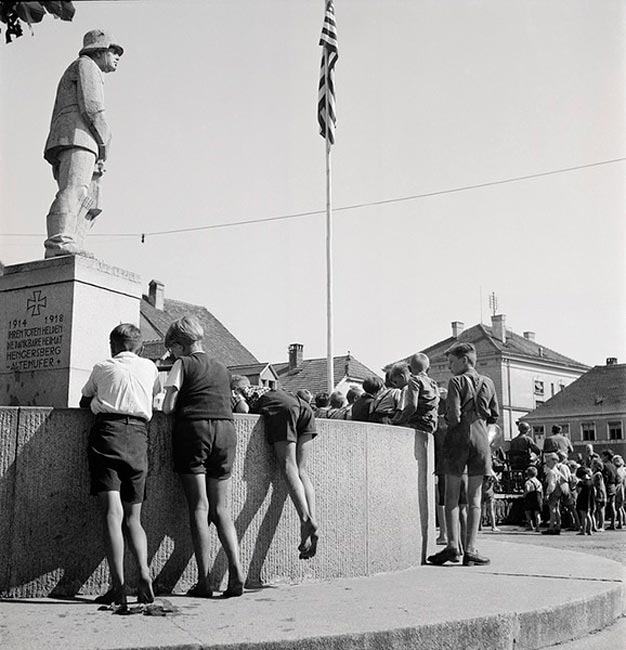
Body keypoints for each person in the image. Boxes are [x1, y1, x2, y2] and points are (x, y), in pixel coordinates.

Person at [162, 316, 244, 598]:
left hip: (194, 430)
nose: (171, 353)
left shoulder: (181, 364)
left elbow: (168, 406)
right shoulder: (222, 368)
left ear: (178, 345)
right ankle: (236, 570)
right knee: (221, 509)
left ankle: (204, 581)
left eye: (171, 347)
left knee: (199, 506)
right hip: (225, 431)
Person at [80, 323, 159, 606]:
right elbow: (155, 392)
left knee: (112, 514)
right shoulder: (149, 367)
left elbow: (83, 398)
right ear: (139, 348)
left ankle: (118, 586)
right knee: (133, 518)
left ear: (112, 345)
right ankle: (144, 572)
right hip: (138, 437)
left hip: (107, 434)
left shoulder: (102, 367)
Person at [43, 30, 123, 258]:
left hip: (81, 138)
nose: (117, 56)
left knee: (87, 197)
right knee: (74, 189)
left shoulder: (86, 67)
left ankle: (72, 240)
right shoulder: (87, 65)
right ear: (99, 50)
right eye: (113, 50)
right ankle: (59, 242)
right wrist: (105, 140)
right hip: (78, 136)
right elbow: (92, 106)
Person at [427, 342, 499, 567]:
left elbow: (454, 415)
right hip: (481, 440)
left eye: (451, 362)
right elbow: (494, 415)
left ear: (464, 360)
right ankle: (471, 549)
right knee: (475, 498)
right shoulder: (488, 382)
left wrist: (443, 419)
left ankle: (452, 547)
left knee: (451, 497)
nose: (449, 366)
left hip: (458, 439)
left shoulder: (456, 382)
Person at [239, 386, 319, 559]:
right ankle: (311, 520)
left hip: (284, 410)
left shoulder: (238, 389)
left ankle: (305, 519)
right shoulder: (273, 388)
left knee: (288, 465)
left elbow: (242, 409)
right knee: (301, 470)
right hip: (304, 408)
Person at [389, 354, 440, 435]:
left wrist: (399, 420)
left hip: (418, 423)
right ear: (428, 369)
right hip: (432, 423)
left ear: (409, 369)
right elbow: (437, 403)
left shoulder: (414, 380)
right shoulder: (433, 383)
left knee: (393, 431)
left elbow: (412, 406)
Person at [600, 449, 618, 530]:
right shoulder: (613, 466)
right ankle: (613, 524)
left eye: (603, 456)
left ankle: (601, 524)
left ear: (606, 456)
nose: (601, 457)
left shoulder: (605, 466)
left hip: (607, 487)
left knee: (603, 506)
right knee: (612, 506)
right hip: (613, 486)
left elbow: (605, 478)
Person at [575, 466, 594, 535]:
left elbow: (578, 491)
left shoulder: (581, 483)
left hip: (582, 500)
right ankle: (590, 530)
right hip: (589, 500)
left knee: (583, 516)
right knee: (588, 515)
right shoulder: (591, 482)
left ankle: (583, 531)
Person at [523, 466, 543, 531]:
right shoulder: (539, 482)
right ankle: (538, 527)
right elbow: (541, 490)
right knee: (537, 513)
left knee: (527, 512)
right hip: (538, 496)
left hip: (530, 497)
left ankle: (531, 526)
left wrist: (524, 495)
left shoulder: (528, 482)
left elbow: (527, 489)